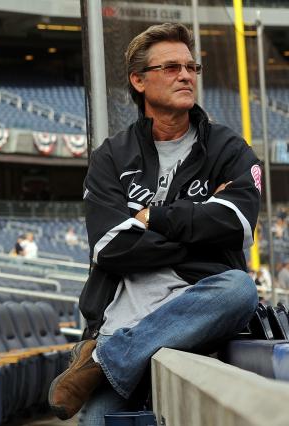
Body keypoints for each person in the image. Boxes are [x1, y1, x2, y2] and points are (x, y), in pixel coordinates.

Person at [48, 23, 261, 424]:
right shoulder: (112, 156)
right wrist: (198, 232)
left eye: (191, 67)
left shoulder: (228, 148)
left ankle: (100, 362)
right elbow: (108, 248)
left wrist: (155, 217)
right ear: (138, 81)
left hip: (196, 319)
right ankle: (114, 353)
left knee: (238, 288)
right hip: (122, 319)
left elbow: (237, 225)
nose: (185, 75)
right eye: (171, 67)